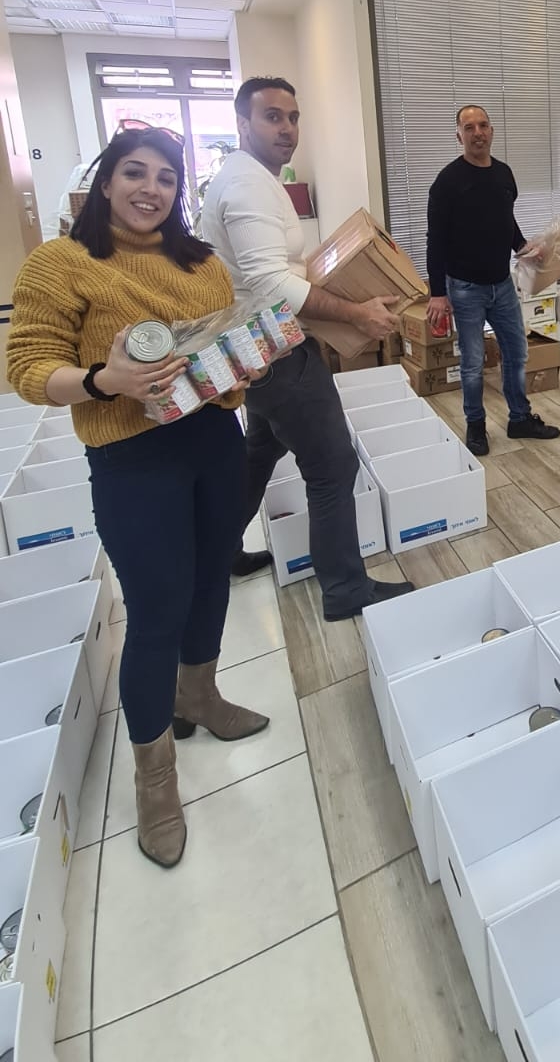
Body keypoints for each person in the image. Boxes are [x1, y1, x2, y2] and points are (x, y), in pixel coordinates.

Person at [7, 128, 268, 870]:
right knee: (157, 611)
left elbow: (218, 349)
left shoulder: (202, 263)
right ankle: (155, 778)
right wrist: (104, 380)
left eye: (165, 177)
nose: (150, 189)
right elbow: (28, 367)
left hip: (213, 442)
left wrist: (243, 363)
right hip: (131, 458)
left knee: (212, 579)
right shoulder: (61, 262)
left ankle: (200, 696)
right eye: (134, 173)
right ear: (106, 180)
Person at [201, 77, 413, 620]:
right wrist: (356, 313)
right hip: (275, 353)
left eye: (293, 117)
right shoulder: (247, 184)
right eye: (272, 117)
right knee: (332, 467)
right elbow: (270, 282)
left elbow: (272, 269)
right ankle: (344, 590)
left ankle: (218, 552)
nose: (287, 129)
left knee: (259, 452)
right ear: (242, 123)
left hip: (257, 351)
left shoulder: (253, 178)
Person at [425, 105, 560, 457]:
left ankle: (520, 419)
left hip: (502, 285)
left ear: (492, 131)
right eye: (469, 127)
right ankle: (475, 425)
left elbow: (505, 219)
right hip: (464, 288)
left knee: (517, 353)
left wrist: (522, 247)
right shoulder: (447, 182)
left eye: (483, 125)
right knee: (472, 365)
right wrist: (437, 293)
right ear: (458, 135)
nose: (477, 133)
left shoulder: (503, 173)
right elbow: (435, 241)